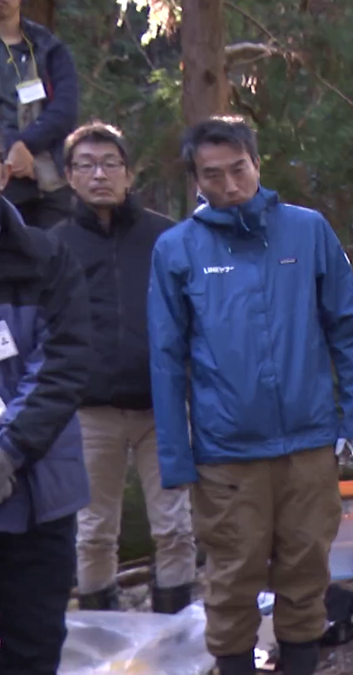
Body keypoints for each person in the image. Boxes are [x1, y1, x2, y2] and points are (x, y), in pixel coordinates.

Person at [148, 116, 353, 675]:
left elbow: (346, 330)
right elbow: (166, 358)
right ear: (196, 180)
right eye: (212, 175)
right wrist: (176, 460)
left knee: (306, 573)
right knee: (233, 578)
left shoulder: (307, 231)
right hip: (227, 454)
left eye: (238, 169)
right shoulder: (177, 249)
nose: (228, 184)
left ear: (257, 163)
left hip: (307, 444)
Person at [54, 122, 196, 614]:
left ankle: (176, 636)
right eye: (86, 165)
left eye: (110, 163)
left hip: (163, 405)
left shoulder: (166, 237)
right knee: (92, 533)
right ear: (69, 176)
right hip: (90, 411)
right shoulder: (54, 245)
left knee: (175, 528)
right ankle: (103, 638)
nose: (99, 175)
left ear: (129, 173)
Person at [0, 162, 91, 673]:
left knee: (33, 650)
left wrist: (8, 451)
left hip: (37, 499)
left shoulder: (46, 256)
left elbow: (62, 364)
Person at [0, 0, 77, 229]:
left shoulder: (49, 47)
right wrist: (12, 146)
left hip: (50, 180)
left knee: (55, 255)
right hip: (4, 178)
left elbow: (66, 109)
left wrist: (24, 145)